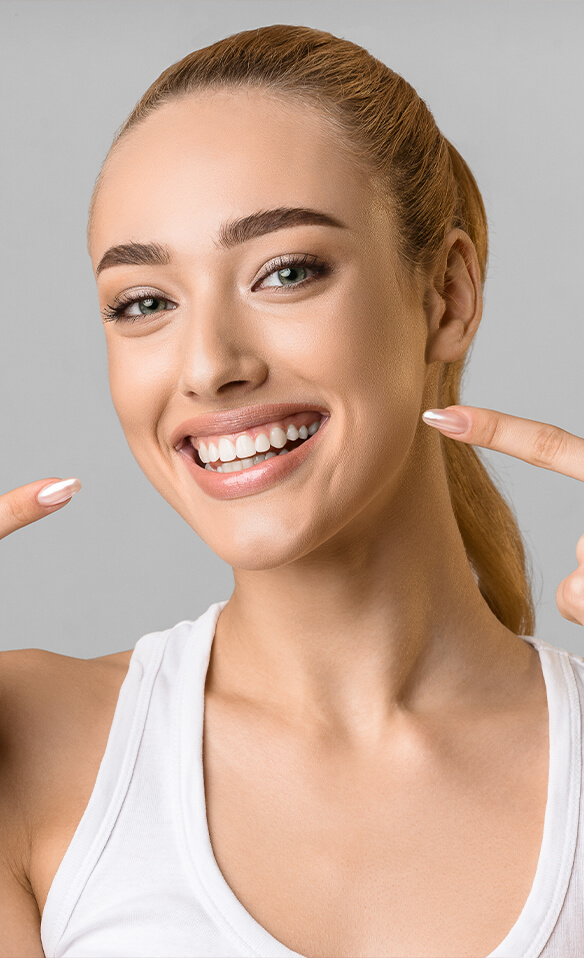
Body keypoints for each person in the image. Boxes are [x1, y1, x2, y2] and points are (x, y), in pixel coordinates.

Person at [2, 23, 584, 958]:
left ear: (446, 295)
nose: (208, 367)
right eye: (144, 302)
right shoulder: (26, 744)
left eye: (286, 272)